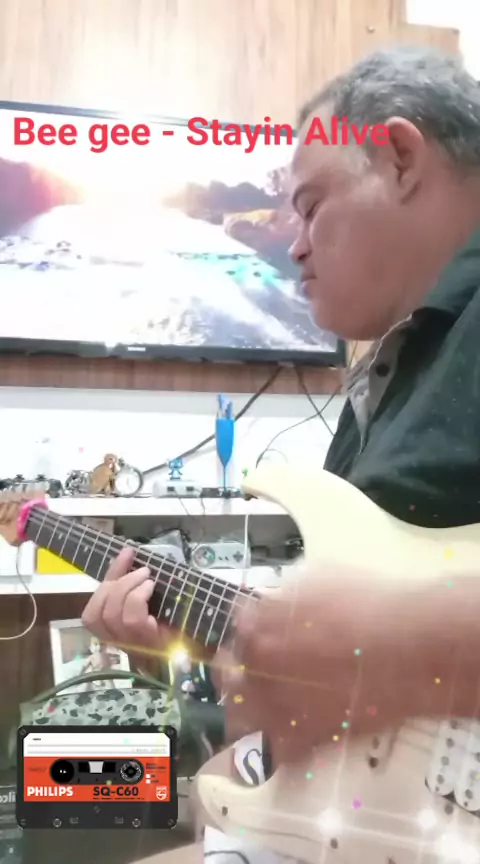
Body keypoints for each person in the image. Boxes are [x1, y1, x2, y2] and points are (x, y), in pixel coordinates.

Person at [82, 44, 480, 858]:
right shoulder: (390, 377)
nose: (291, 244)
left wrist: (412, 643)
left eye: (310, 203)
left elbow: (397, 641)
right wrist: (237, 646)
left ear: (401, 157)